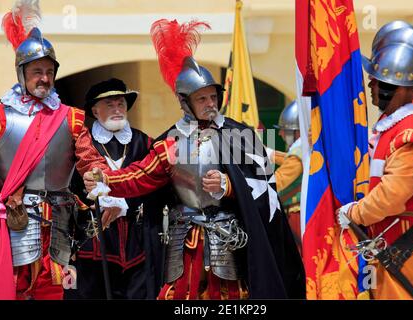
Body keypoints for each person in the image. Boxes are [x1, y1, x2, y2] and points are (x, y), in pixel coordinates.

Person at [84, 19, 306, 300]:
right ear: (184, 101)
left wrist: (229, 185)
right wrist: (106, 179)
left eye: (213, 97)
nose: (210, 103)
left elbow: (265, 180)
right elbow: (140, 176)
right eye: (202, 99)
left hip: (232, 241)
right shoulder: (171, 142)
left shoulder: (241, 134)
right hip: (186, 243)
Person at [0, 1, 106, 300]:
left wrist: (98, 175)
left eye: (49, 71)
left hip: (58, 220)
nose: (44, 78)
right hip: (13, 218)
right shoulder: (0, 116)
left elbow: (88, 157)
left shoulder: (71, 117)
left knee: (53, 290)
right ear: (22, 72)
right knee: (15, 289)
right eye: (37, 71)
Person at [337, 25, 413, 299]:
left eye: (377, 80)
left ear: (395, 88)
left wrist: (354, 213)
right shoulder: (393, 126)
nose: (370, 85)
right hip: (390, 240)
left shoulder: (409, 133)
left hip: (401, 244)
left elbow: (392, 197)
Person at [65, 78, 164, 299]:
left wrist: (124, 204)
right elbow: (71, 187)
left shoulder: (144, 142)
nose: (117, 109)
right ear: (94, 110)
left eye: (120, 104)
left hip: (136, 243)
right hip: (92, 243)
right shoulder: (83, 143)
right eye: (110, 105)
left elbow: (155, 184)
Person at [266, 101, 303, 251]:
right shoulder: (302, 150)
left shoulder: (299, 154)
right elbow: (290, 158)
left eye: (285, 131)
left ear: (297, 132)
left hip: (295, 215)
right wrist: (268, 153)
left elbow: (277, 182)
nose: (280, 134)